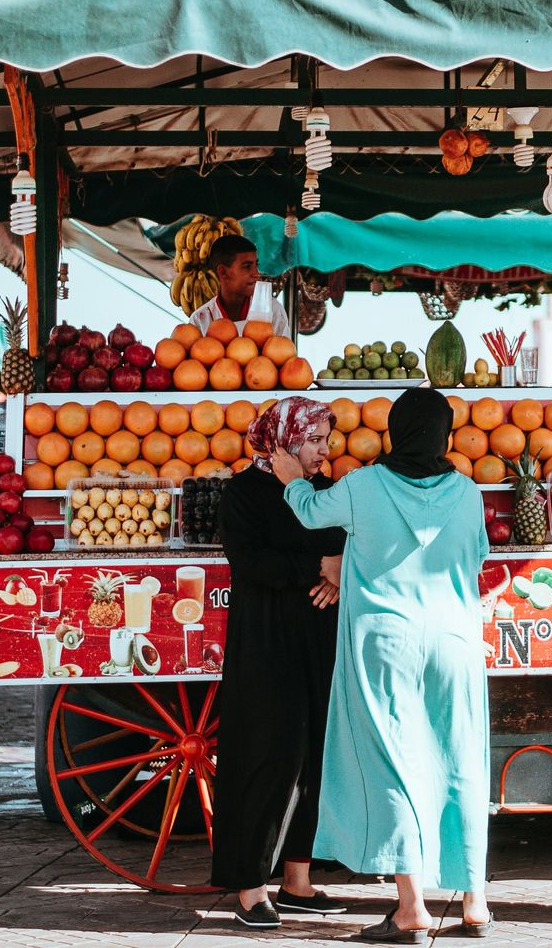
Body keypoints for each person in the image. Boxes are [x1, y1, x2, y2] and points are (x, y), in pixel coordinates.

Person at [273, 386, 493, 943]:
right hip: (454, 641)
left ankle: (412, 907)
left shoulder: (363, 485)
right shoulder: (466, 492)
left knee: (395, 761)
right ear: (445, 435)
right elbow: (476, 556)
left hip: (386, 642)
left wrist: (290, 478)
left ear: (394, 432)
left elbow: (308, 512)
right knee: (463, 758)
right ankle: (475, 902)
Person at [210, 396, 349, 929]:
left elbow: (345, 547)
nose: (323, 450)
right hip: (267, 644)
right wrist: (319, 566)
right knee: (268, 757)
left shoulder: (322, 492)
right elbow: (252, 563)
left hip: (319, 637)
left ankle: (297, 880)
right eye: (314, 440)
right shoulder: (242, 493)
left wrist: (337, 579)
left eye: (324, 440)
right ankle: (249, 887)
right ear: (284, 440)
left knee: (315, 758)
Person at [190, 234, 291, 337]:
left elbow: (286, 350)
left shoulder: (272, 310)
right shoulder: (200, 320)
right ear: (223, 272)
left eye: (256, 265)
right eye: (247, 266)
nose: (256, 273)